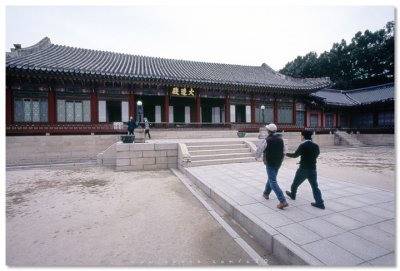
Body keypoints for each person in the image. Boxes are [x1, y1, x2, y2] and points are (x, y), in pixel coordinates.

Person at [285, 130, 325, 209]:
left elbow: (295, 155)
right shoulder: (316, 146)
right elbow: (316, 154)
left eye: (301, 135)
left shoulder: (303, 145)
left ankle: (293, 195)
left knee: (295, 183)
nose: (301, 137)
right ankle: (320, 203)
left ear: (303, 136)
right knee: (315, 186)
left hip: (303, 169)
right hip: (313, 169)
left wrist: (286, 154)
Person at [262, 123, 288, 209]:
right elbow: (285, 151)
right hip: (278, 162)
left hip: (270, 162)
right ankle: (266, 193)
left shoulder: (267, 140)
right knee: (271, 177)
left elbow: (260, 149)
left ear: (269, 131)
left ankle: (282, 200)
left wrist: (256, 156)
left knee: (272, 181)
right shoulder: (281, 139)